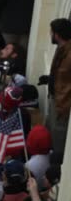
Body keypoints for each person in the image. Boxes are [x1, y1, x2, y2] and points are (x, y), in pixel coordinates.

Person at [39, 18, 71, 154]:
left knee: (58, 136)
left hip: (62, 104)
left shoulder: (68, 53)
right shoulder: (62, 49)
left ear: (57, 35)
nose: (50, 35)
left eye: (51, 32)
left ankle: (55, 165)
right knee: (50, 130)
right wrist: (49, 79)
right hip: (56, 99)